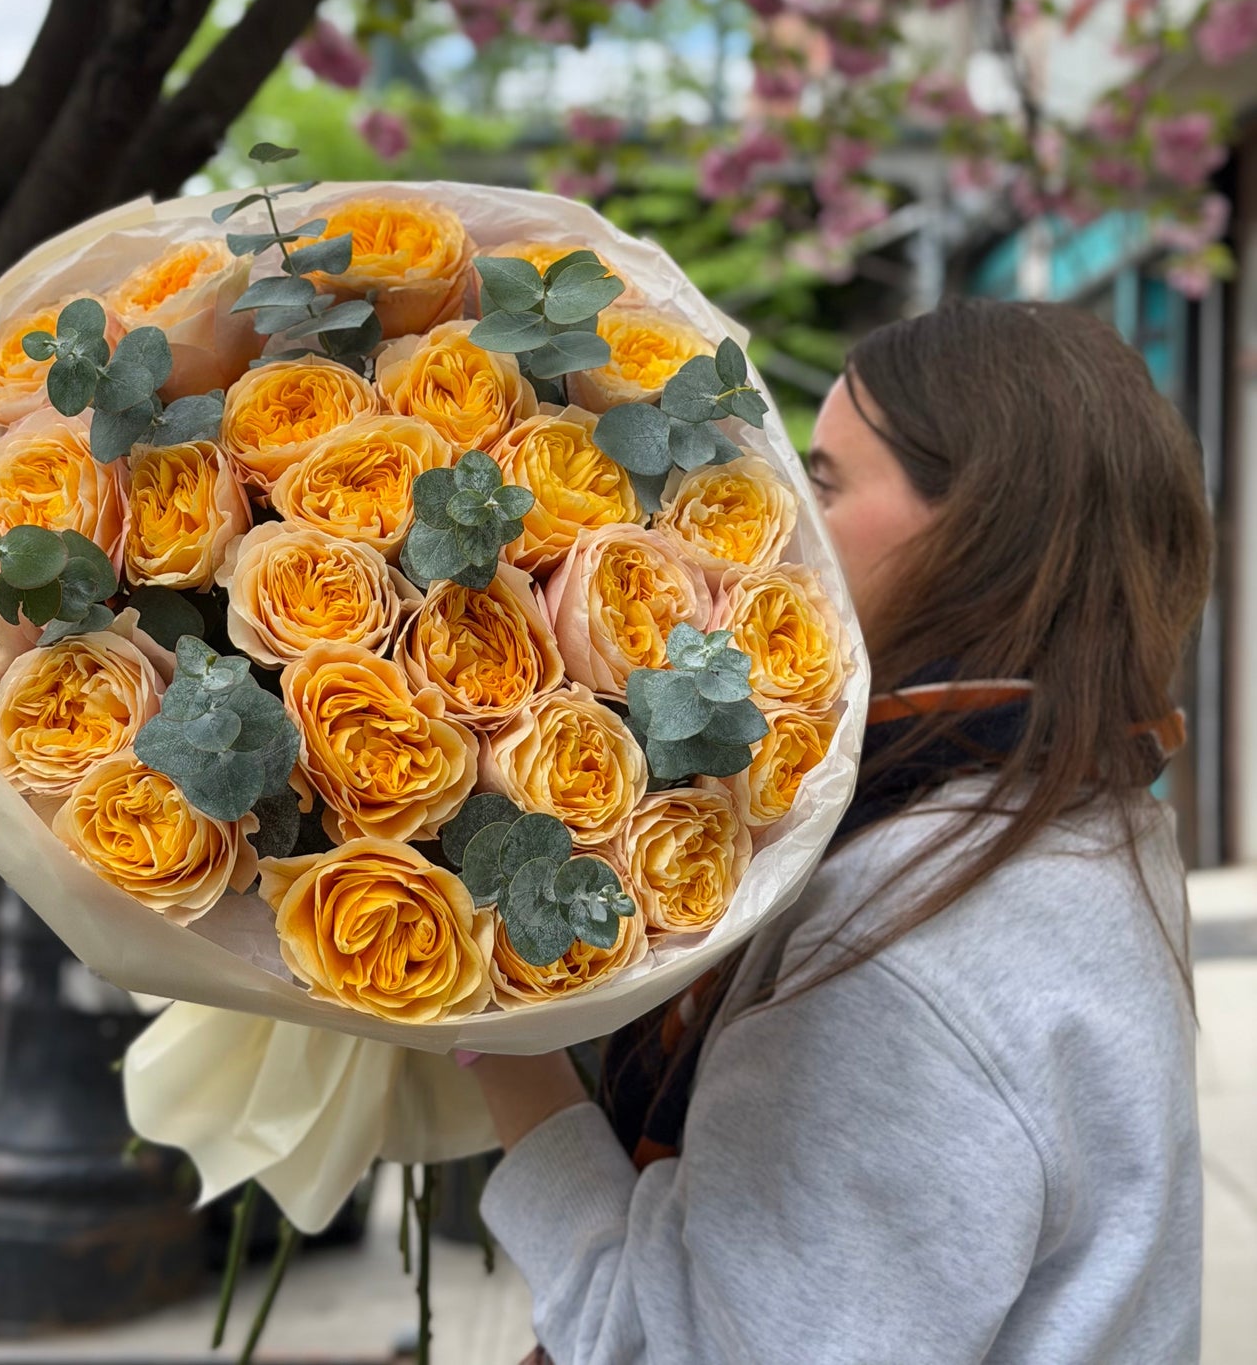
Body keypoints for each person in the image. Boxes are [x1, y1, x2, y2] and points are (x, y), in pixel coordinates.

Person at [466, 298, 1213, 1365]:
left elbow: (689, 1343)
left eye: (822, 480)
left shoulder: (909, 948)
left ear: (975, 531)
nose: (785, 515)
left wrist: (500, 1042)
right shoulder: (1076, 808)